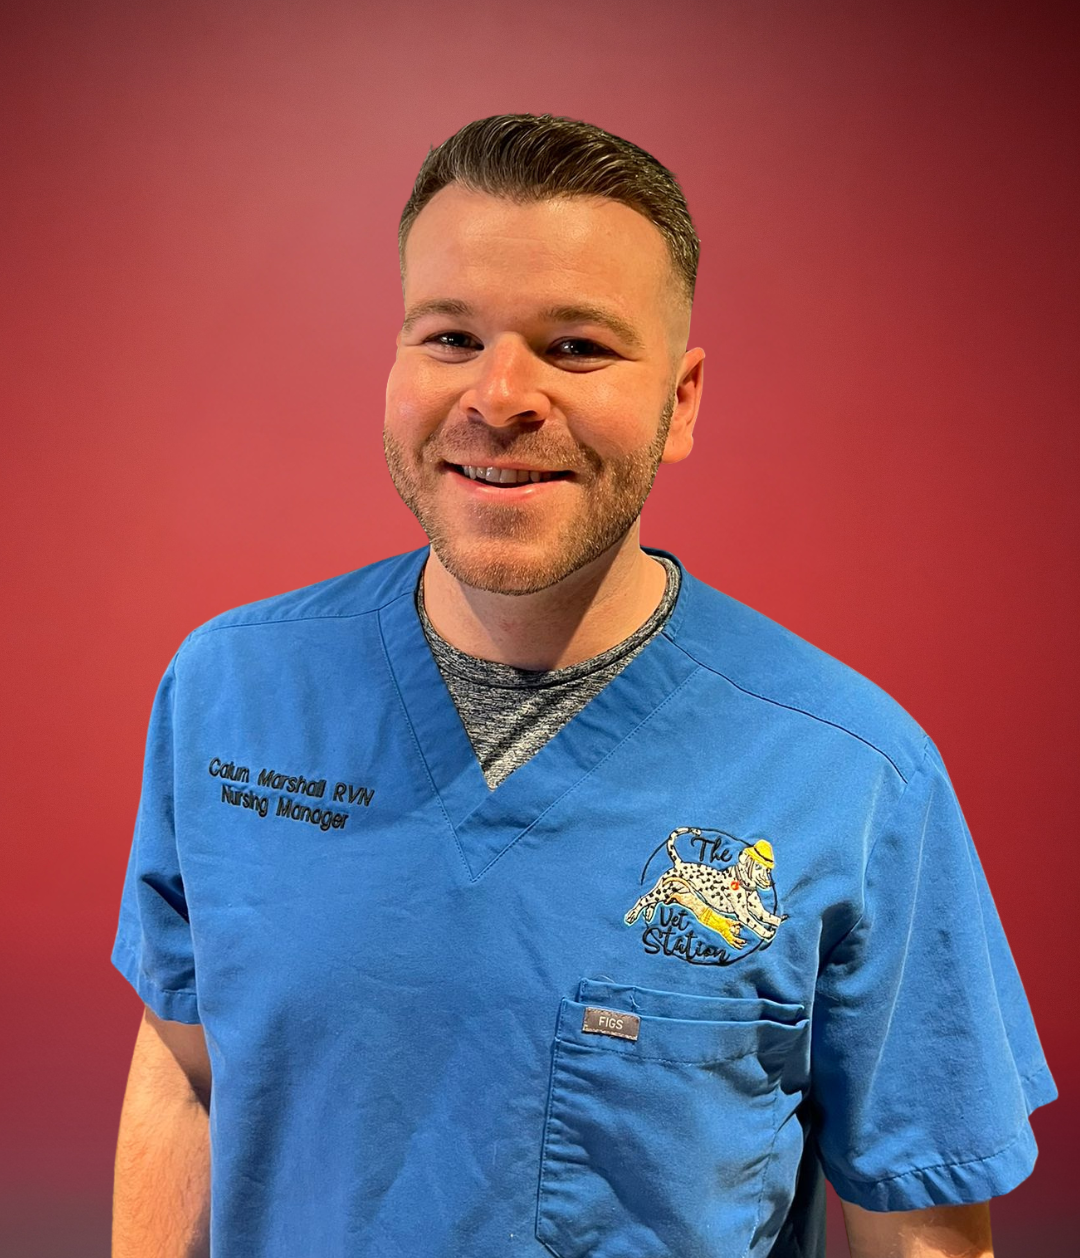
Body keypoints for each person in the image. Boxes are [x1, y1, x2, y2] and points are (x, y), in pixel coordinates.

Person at [110, 113, 1056, 1258]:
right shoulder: (230, 691)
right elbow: (187, 1062)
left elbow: (925, 1229)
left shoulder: (852, 777)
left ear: (684, 400)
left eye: (576, 349)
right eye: (452, 336)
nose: (501, 395)